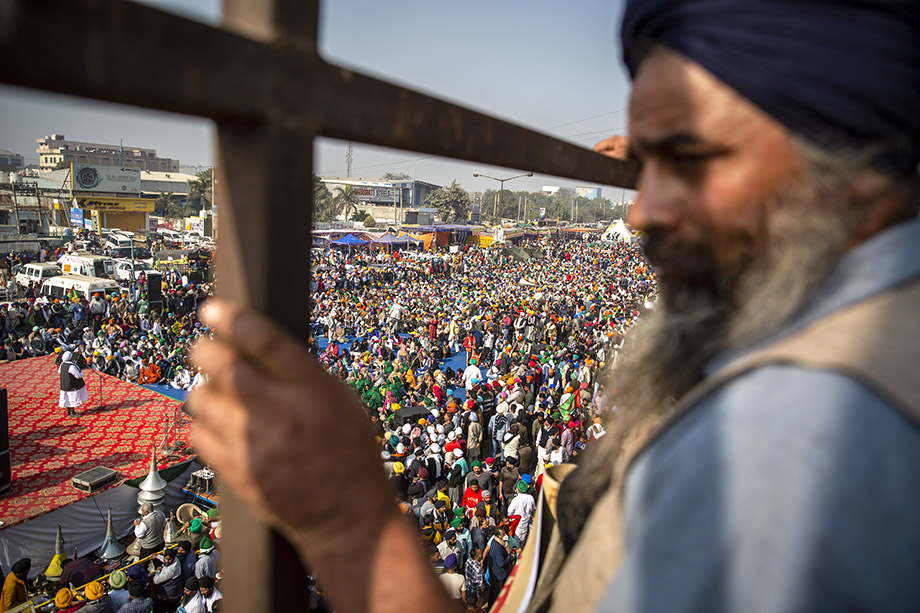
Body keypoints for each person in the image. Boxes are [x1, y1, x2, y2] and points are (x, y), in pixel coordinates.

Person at [189, 1, 920, 611]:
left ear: (849, 167)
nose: (639, 215)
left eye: (690, 160)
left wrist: (350, 523)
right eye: (647, 164)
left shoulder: (782, 452)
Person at [58, 350, 88, 417]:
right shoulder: (71, 366)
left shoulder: (62, 364)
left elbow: (59, 371)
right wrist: (82, 374)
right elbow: (77, 375)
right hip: (71, 385)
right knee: (71, 398)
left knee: (67, 397)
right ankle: (72, 412)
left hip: (65, 384)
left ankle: (68, 410)